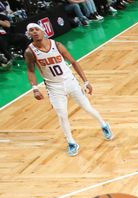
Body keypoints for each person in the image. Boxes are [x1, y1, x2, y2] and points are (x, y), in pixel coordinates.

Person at [24, 23, 113, 156]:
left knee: (87, 108)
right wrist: (35, 88)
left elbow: (74, 62)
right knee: (62, 115)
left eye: (37, 29)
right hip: (54, 88)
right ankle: (71, 142)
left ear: (42, 31)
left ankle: (104, 124)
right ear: (29, 34)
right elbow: (30, 71)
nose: (35, 32)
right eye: (31, 30)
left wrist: (86, 81)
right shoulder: (30, 51)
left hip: (70, 82)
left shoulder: (57, 45)